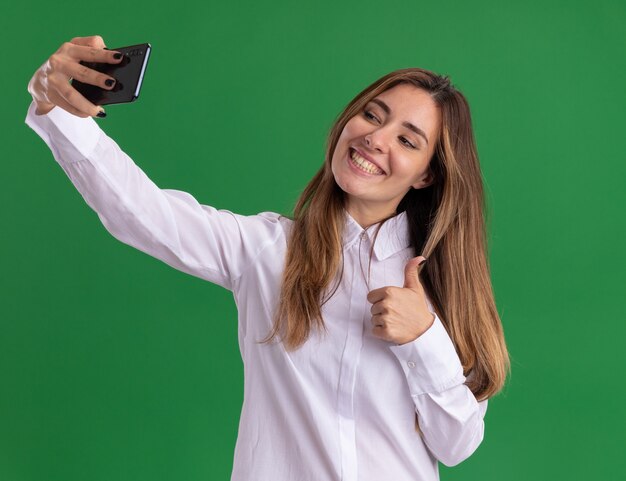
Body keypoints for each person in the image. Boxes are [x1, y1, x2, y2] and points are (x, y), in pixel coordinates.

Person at [25, 35, 510, 481]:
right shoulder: (266, 250)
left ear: (427, 175)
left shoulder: (437, 286)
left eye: (407, 140)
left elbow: (456, 445)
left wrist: (423, 339)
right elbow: (142, 212)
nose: (376, 139)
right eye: (372, 115)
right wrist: (58, 107)